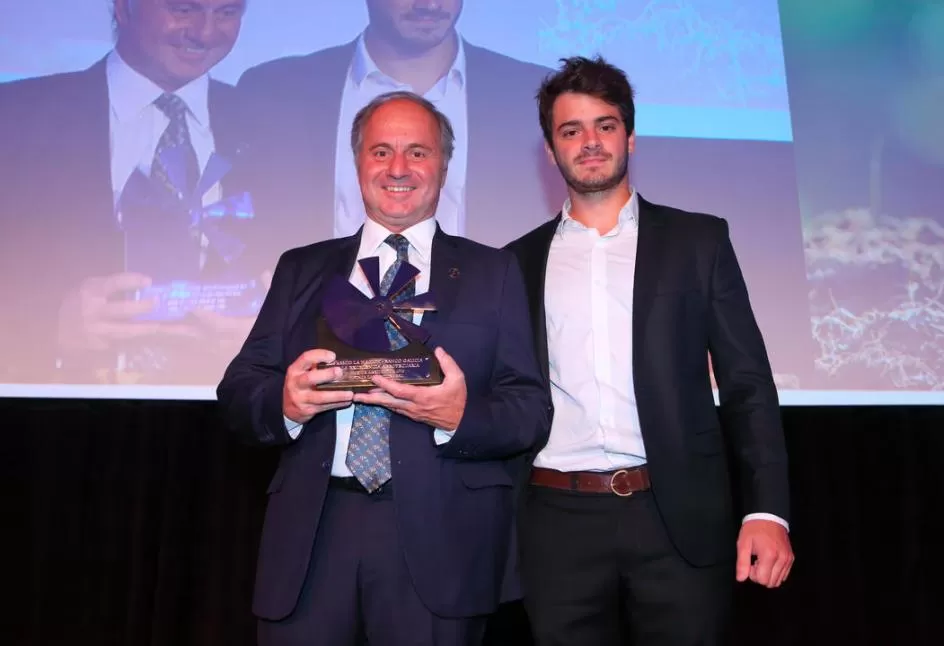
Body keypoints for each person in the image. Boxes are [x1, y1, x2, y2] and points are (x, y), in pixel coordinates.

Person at [216, 91, 551, 646]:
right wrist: (285, 403)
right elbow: (238, 391)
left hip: (442, 541)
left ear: (443, 164)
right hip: (314, 537)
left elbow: (530, 411)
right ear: (358, 164)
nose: (398, 168)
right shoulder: (302, 268)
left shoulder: (494, 272)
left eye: (417, 152)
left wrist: (459, 416)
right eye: (381, 151)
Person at [504, 56, 795, 645]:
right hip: (555, 521)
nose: (590, 142)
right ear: (550, 150)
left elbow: (747, 384)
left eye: (605, 125)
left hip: (676, 515)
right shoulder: (513, 262)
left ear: (630, 137)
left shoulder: (698, 241)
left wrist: (767, 511)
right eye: (570, 130)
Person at [0, 0, 252, 385]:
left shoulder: (267, 123)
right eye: (184, 9)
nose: (204, 32)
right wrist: (48, 326)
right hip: (54, 411)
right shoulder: (15, 116)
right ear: (123, 7)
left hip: (224, 417)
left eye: (227, 13)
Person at [230, 0, 559, 252]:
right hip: (316, 331)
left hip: (484, 332)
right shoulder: (274, 91)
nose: (429, 3)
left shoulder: (529, 93)